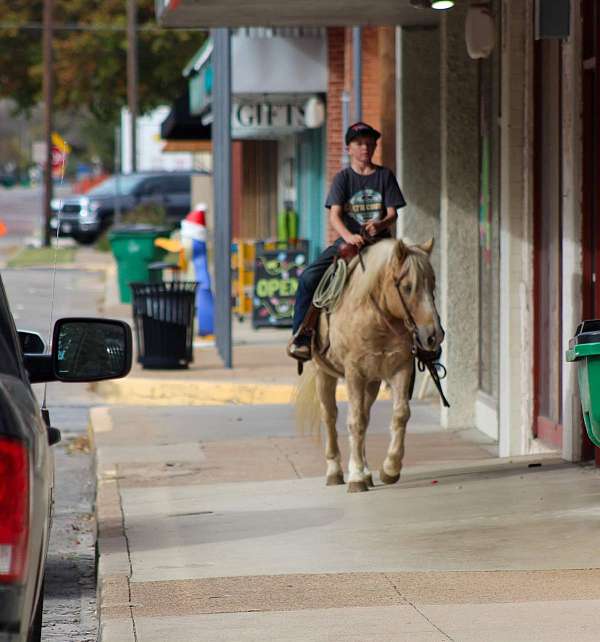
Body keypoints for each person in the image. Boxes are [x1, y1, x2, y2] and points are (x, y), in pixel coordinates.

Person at [290, 121, 407, 360]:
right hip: (348, 243)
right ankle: (302, 335)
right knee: (309, 278)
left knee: (413, 275)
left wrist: (380, 225)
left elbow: (393, 214)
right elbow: (334, 215)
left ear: (375, 146)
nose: (365, 148)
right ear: (349, 149)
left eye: (369, 143)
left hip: (382, 245)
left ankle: (422, 339)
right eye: (359, 143)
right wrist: (349, 237)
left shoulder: (385, 176)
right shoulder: (343, 178)